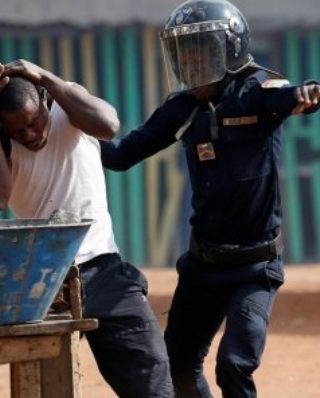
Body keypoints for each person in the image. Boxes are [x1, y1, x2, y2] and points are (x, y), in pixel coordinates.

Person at [98, 0, 320, 397]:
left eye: (203, 51)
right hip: (202, 266)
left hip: (255, 268)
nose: (193, 64)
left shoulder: (257, 93)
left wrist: (307, 93)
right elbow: (118, 156)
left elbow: (290, 95)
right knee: (179, 367)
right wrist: (65, 132)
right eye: (185, 54)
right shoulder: (181, 109)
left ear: (231, 50)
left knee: (234, 365)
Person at [0, 59, 174, 398]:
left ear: (45, 101)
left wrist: (47, 78)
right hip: (43, 279)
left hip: (105, 269)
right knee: (43, 387)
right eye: (18, 130)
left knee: (152, 377)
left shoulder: (69, 109)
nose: (31, 134)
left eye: (36, 122)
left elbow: (109, 124)